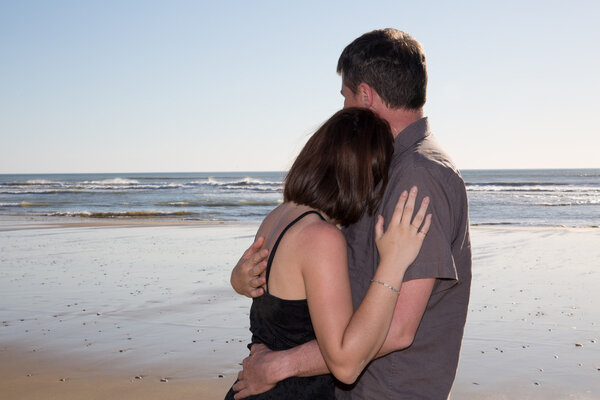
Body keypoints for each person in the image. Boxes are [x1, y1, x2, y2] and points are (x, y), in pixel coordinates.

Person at [231, 29, 472, 399]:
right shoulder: (381, 168)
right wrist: (244, 278)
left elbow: (396, 329)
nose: (343, 109)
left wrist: (281, 365)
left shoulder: (419, 177)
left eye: (345, 97)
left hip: (385, 390)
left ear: (365, 95)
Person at [224, 107, 432, 400]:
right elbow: (345, 364)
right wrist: (394, 262)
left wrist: (236, 280)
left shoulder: (278, 215)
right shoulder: (321, 238)